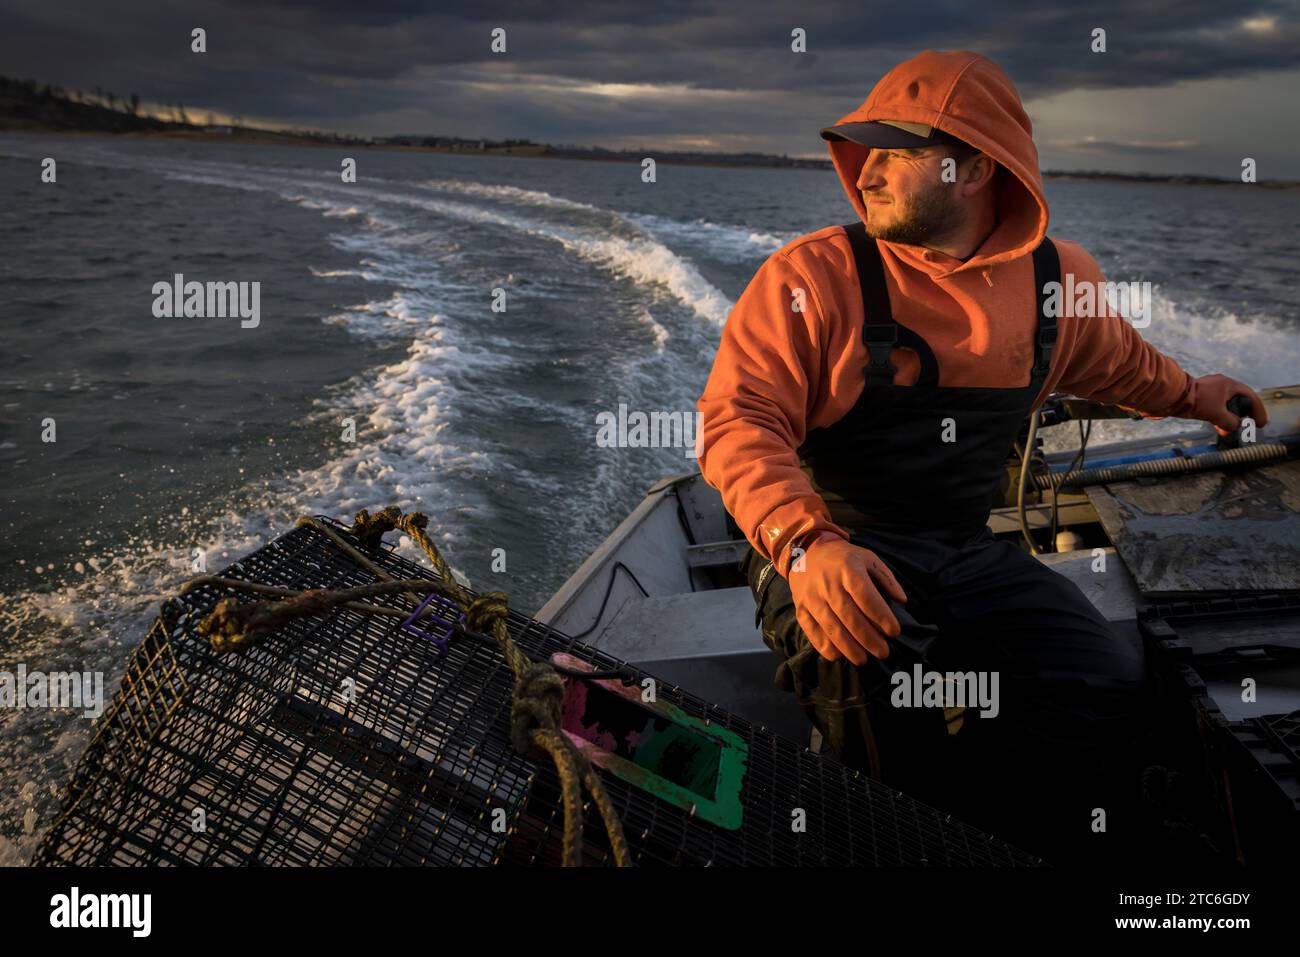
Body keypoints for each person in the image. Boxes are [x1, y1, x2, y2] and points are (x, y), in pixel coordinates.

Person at [695, 49, 1268, 864]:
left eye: (895, 152)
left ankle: (1004, 833)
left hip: (962, 551)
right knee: (863, 664)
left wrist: (1195, 393)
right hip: (829, 540)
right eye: (865, 150)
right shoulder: (816, 278)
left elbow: (1120, 366)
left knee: (1099, 679)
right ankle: (895, 836)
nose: (867, 173)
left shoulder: (1055, 279)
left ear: (971, 168)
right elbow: (737, 420)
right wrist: (805, 545)